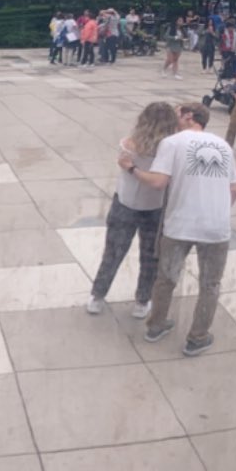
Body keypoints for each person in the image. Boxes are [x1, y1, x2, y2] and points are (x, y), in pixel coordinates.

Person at [121, 102, 236, 358]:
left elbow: (157, 182)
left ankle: (156, 326)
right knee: (210, 284)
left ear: (189, 116)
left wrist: (131, 168)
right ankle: (197, 338)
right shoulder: (224, 146)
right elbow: (234, 189)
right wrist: (217, 211)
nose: (173, 118)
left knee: (166, 278)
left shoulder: (172, 143)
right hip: (216, 227)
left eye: (177, 113)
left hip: (180, 224)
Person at [86, 101, 180, 320]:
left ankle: (98, 296)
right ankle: (142, 300)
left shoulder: (127, 145)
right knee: (150, 257)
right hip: (154, 208)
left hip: (125, 204)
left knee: (113, 253)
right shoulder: (170, 152)